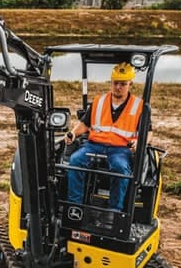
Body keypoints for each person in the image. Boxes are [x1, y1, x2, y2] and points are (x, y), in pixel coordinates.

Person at [64, 62, 151, 212]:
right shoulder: (99, 101)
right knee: (75, 160)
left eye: (123, 84)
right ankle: (75, 206)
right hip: (94, 145)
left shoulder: (139, 106)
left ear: (130, 83)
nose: (118, 87)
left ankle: (114, 211)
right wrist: (73, 133)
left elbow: (148, 132)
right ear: (111, 82)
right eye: (116, 83)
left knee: (121, 168)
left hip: (120, 149)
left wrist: (141, 143)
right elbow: (85, 124)